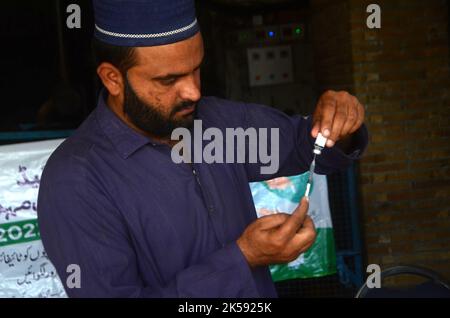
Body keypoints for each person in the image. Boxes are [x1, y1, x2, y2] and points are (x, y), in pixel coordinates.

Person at [37, 0, 368, 297]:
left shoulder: (217, 124)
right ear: (112, 78)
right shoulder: (76, 179)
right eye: (169, 80)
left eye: (197, 69)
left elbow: (303, 144)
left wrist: (339, 123)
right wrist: (242, 259)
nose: (193, 92)